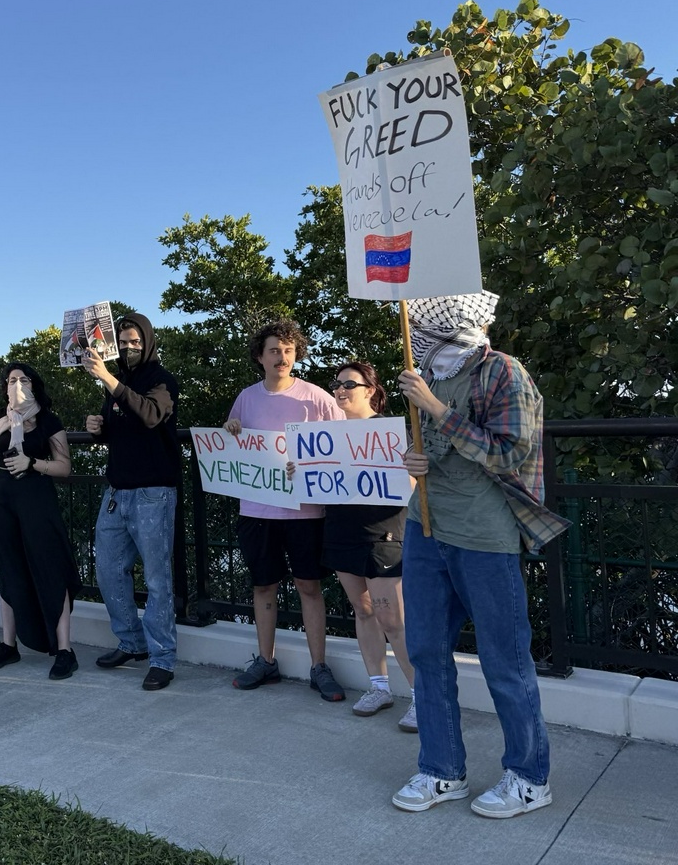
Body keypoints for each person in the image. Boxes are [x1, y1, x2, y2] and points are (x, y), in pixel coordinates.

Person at [392, 292, 569, 818]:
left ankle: (530, 778)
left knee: (504, 659)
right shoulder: (423, 373)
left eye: (427, 322)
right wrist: (413, 458)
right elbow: (426, 446)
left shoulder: (503, 373)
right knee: (425, 651)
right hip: (425, 527)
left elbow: (512, 450)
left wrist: (435, 410)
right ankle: (441, 771)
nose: (419, 330)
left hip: (485, 535)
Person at [224, 318, 346, 701]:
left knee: (309, 586)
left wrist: (307, 466)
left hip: (306, 511)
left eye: (288, 349)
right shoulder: (246, 397)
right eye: (274, 349)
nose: (282, 356)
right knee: (263, 585)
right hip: (257, 509)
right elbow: (233, 444)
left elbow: (342, 451)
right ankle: (266, 660)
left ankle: (319, 667)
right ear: (260, 356)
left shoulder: (318, 398)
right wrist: (228, 429)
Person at [0, 363, 81, 680]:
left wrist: (32, 462)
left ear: (34, 384)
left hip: (38, 501)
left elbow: (64, 467)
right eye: (11, 380)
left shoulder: (48, 421)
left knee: (51, 568)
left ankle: (65, 649)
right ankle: (7, 644)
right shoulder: (0, 422)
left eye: (23, 379)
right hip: (6, 502)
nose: (17, 384)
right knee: (10, 570)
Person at [83, 313, 181, 692]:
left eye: (134, 341)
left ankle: (162, 659)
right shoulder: (118, 385)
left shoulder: (162, 380)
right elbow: (123, 431)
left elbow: (152, 415)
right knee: (107, 571)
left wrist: (108, 379)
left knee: (157, 581)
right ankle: (132, 642)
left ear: (148, 341)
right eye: (122, 341)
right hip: (116, 493)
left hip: (153, 493)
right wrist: (99, 428)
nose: (127, 347)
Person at [319, 362, 416, 729]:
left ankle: (421, 696)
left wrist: (408, 474)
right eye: (337, 384)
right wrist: (299, 470)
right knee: (363, 610)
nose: (341, 390)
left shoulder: (393, 433)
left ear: (371, 390)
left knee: (394, 618)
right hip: (343, 530)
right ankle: (379, 687)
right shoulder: (329, 435)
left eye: (349, 384)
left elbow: (413, 487)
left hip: (383, 534)